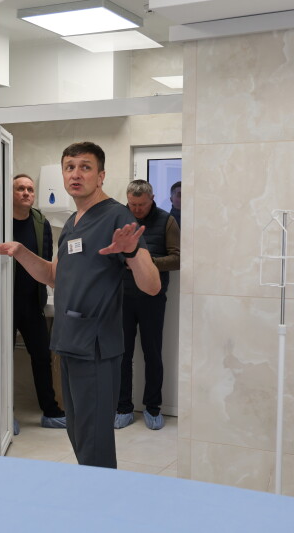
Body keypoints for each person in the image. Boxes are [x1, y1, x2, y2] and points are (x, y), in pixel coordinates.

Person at [0, 141, 160, 468]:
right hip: (69, 342)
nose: (76, 174)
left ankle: (98, 496)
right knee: (78, 434)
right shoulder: (73, 222)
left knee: (94, 440)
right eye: (69, 167)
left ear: (101, 176)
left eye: (85, 167)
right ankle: (88, 492)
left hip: (96, 347)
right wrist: (20, 251)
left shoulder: (116, 216)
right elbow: (53, 276)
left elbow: (152, 285)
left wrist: (131, 252)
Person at [117, 180, 180, 430]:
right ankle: (123, 408)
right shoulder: (119, 218)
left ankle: (153, 408)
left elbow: (178, 259)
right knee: (121, 355)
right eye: (132, 204)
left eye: (141, 205)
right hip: (122, 296)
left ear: (152, 198)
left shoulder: (167, 221)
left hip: (153, 298)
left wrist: (146, 262)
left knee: (152, 354)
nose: (136, 209)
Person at [11, 174, 66, 429]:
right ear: (10, 193)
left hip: (33, 302)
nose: (26, 193)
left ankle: (50, 411)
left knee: (42, 357)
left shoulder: (41, 222)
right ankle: (3, 415)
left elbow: (45, 261)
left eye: (30, 189)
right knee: (2, 360)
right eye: (20, 188)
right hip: (4, 303)